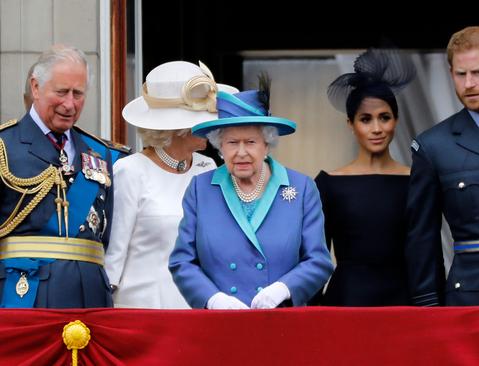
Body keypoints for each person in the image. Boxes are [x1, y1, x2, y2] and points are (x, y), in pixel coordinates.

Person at [169, 76, 334, 309]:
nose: (241, 152)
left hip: (281, 323)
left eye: (251, 142)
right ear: (220, 147)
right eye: (232, 143)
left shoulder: (302, 188)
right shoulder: (200, 189)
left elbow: (319, 261)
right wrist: (213, 299)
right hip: (218, 325)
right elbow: (182, 261)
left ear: (267, 144)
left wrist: (284, 288)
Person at [404, 26, 479, 306]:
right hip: (470, 293)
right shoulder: (433, 145)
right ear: (451, 74)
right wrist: (428, 305)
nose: (469, 83)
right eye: (461, 74)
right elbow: (422, 236)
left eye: (478, 73)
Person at [104, 61, 237, 308]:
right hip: (142, 312)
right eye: (203, 120)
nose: (213, 127)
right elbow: (114, 253)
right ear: (180, 129)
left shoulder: (207, 167)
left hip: (196, 310)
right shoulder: (131, 171)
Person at [0, 44, 114, 308]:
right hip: (23, 295)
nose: (70, 104)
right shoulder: (5, 146)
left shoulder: (99, 153)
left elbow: (103, 238)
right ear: (36, 87)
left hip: (89, 296)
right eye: (62, 92)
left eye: (78, 94)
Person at [313, 49, 413, 306]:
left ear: (396, 120)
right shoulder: (328, 184)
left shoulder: (416, 181)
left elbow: (427, 250)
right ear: (351, 124)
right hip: (346, 303)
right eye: (366, 119)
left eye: (384, 117)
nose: (377, 128)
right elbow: (315, 258)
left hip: (405, 304)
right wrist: (310, 312)